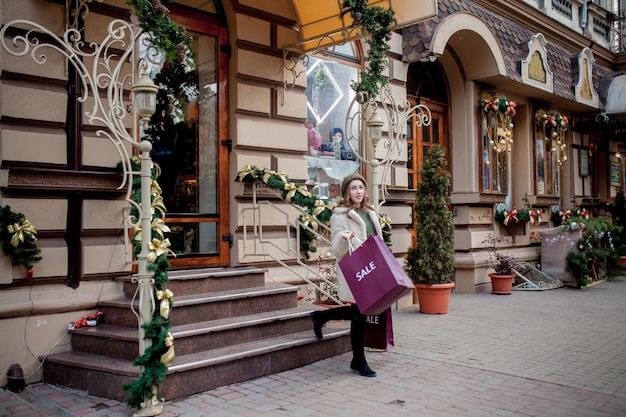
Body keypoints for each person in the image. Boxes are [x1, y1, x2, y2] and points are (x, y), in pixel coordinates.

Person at [309, 173, 382, 377]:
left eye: (361, 187)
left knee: (362, 312)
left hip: (371, 268)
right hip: (355, 269)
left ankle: (321, 316)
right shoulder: (339, 216)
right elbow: (337, 249)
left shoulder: (370, 212)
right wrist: (343, 238)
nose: (358, 191)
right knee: (360, 313)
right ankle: (358, 360)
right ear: (346, 192)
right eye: (353, 188)